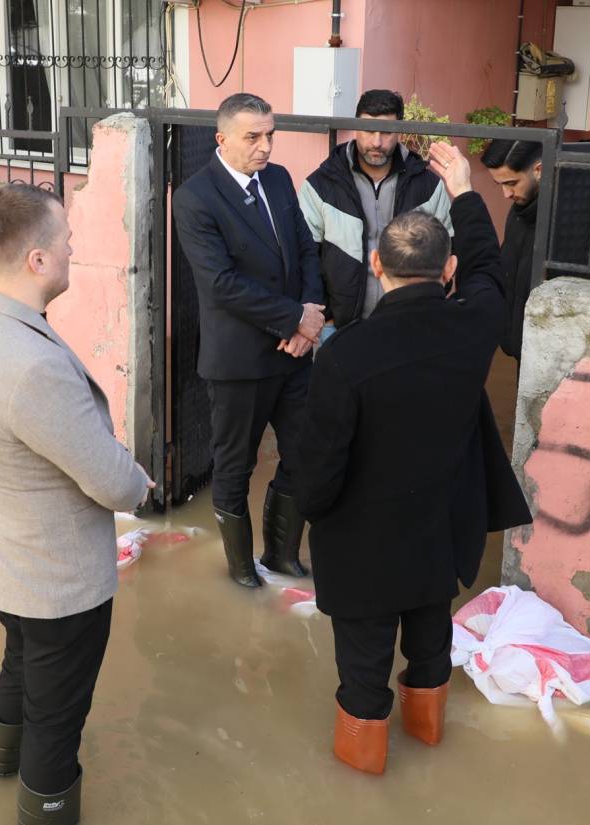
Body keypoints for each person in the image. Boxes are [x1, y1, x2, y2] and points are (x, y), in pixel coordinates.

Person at [295, 144, 532, 775]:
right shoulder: (474, 326)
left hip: (364, 545)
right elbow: (490, 270)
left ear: (376, 266)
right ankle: (427, 736)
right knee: (431, 646)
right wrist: (464, 192)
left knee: (362, 670)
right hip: (439, 533)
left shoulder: (345, 355)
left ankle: (364, 773)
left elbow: (320, 467)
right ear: (447, 268)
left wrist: (314, 515)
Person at [0, 184, 153, 825]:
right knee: (57, 718)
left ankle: (0, 764)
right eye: (66, 242)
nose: (73, 251)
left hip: (1, 550)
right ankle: (44, 808)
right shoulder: (31, 366)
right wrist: (139, 483)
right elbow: (111, 482)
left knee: (20, 663)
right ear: (37, 260)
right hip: (57, 577)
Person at [172, 93, 325, 588]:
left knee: (306, 454)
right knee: (235, 467)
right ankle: (242, 572)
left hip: (294, 355)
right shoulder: (195, 198)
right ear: (222, 139)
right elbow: (221, 284)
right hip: (239, 361)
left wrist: (311, 315)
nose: (265, 146)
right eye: (253, 137)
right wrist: (295, 319)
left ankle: (281, 557)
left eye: (270, 135)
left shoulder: (278, 179)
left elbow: (305, 249)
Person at [298, 89, 453, 338]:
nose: (377, 142)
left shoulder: (428, 186)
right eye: (369, 130)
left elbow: (446, 252)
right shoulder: (321, 184)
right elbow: (306, 256)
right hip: (339, 329)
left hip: (410, 328)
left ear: (399, 131)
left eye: (386, 132)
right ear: (355, 127)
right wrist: (325, 315)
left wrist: (428, 309)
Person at [479, 137, 543, 362]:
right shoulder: (518, 213)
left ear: (538, 170)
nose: (506, 194)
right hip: (521, 349)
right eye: (501, 185)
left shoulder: (560, 219)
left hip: (545, 350)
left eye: (512, 183)